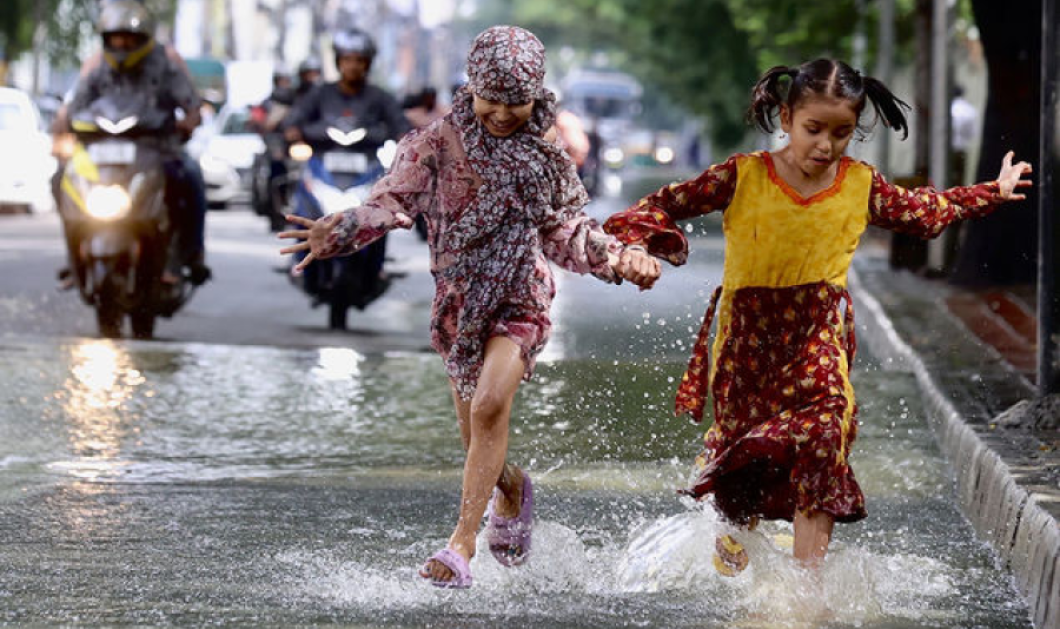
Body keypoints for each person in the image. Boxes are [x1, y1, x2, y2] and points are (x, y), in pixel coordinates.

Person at [603, 58, 1032, 575]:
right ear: (785, 118)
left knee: (826, 435)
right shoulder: (742, 175)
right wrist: (631, 245)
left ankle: (808, 592)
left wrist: (992, 191)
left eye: (842, 132)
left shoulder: (860, 183)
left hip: (818, 334)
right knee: (741, 488)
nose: (826, 145)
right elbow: (663, 203)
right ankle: (731, 525)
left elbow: (926, 212)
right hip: (747, 345)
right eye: (813, 129)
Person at [279, 25, 660, 588]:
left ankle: (461, 544)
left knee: (488, 408)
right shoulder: (434, 144)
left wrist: (621, 258)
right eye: (492, 98)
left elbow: (566, 232)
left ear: (536, 96)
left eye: (517, 100)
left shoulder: (546, 157)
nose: (503, 113)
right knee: (478, 438)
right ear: (471, 87)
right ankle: (510, 487)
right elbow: (392, 203)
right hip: (458, 307)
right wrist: (339, 231)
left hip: (519, 297)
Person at [55, 0, 209, 286]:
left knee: (189, 175)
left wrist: (189, 120)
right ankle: (74, 257)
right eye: (116, 37)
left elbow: (191, 105)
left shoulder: (166, 62)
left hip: (155, 148)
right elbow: (75, 105)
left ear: (142, 38)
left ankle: (185, 255)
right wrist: (63, 124)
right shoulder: (97, 65)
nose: (122, 44)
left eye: (129, 38)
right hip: (101, 150)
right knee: (62, 177)